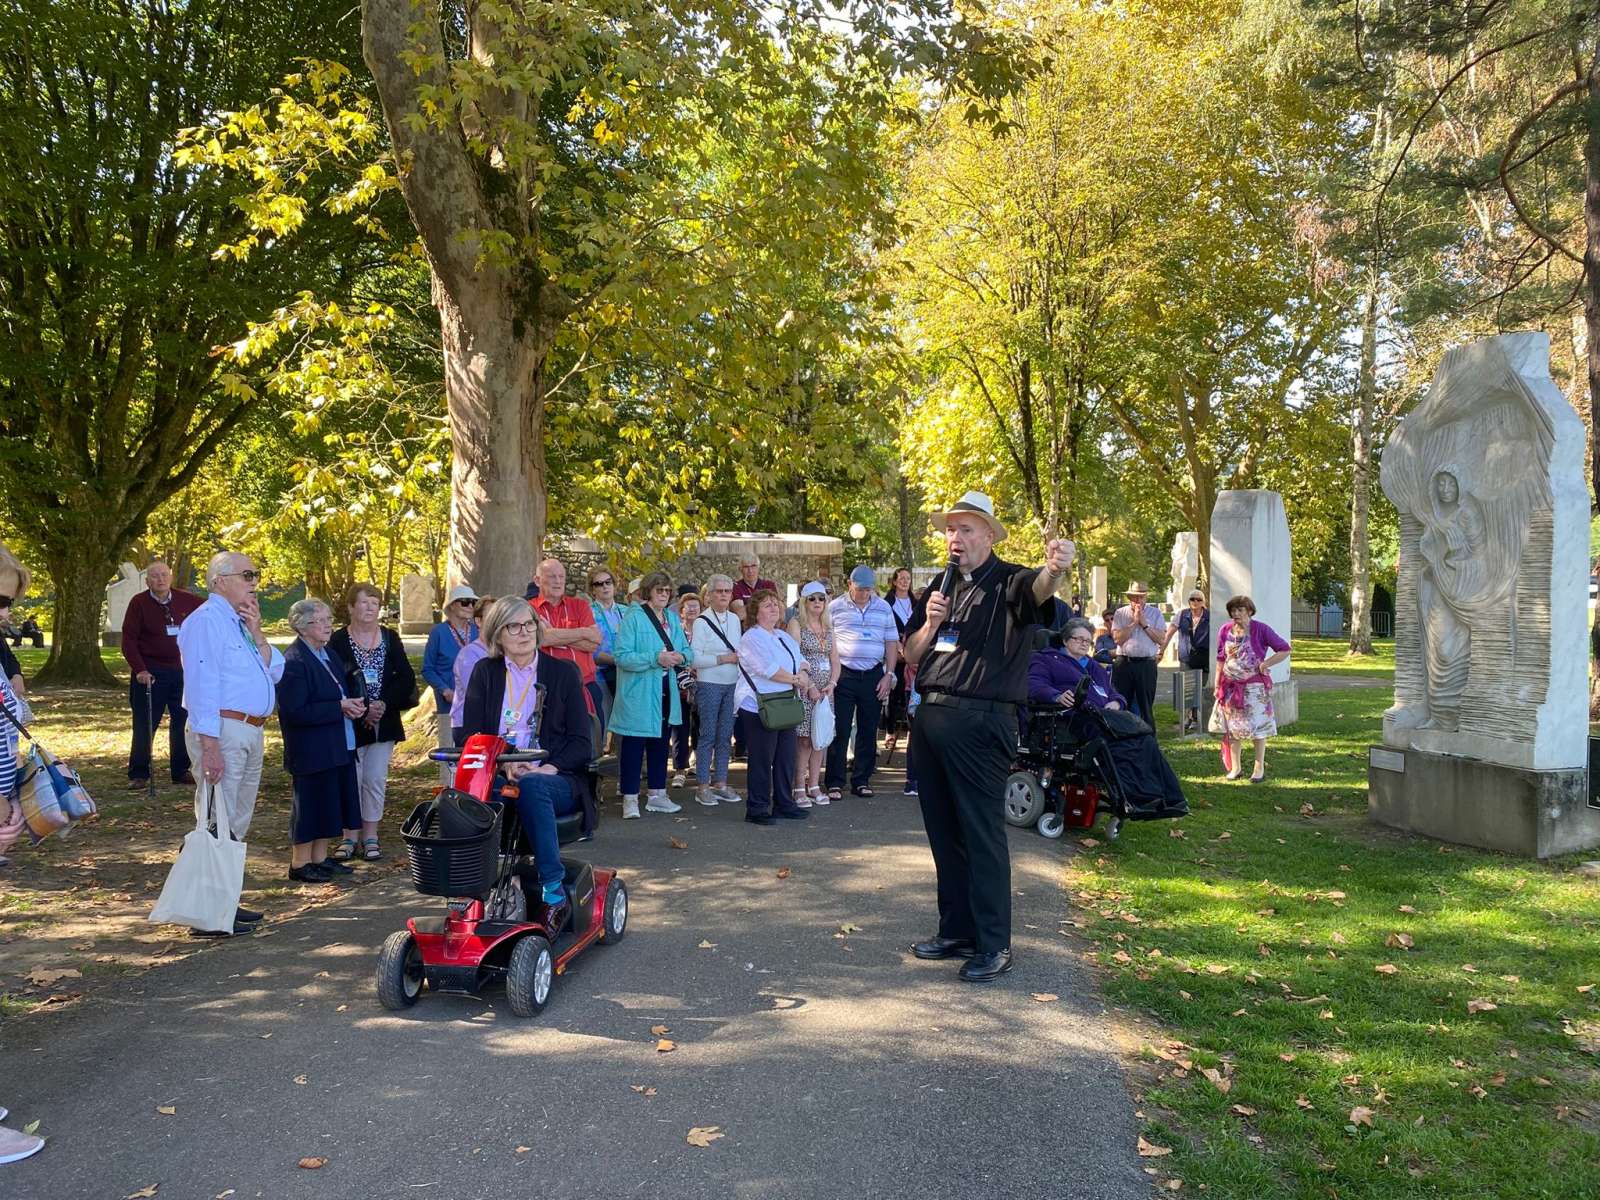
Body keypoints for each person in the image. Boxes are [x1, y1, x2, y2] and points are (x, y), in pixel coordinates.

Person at [902, 491, 1073, 983]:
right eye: (950, 530)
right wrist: (931, 624)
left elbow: (1039, 589)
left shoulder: (1009, 581)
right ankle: (957, 931)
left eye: (966, 529)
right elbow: (911, 655)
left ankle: (994, 943)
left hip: (981, 723)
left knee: (981, 835)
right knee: (944, 834)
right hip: (932, 720)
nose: (954, 538)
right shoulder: (939, 587)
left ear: (990, 535)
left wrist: (1055, 569)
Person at [461, 596, 594, 916]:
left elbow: (581, 743)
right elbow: (470, 737)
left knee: (533, 786)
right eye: (513, 626)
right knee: (466, 798)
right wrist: (506, 762)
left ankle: (553, 889)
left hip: (556, 777)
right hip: (500, 774)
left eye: (529, 624)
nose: (524, 632)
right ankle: (473, 890)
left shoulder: (563, 673)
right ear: (497, 634)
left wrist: (547, 767)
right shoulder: (485, 672)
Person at [177, 551, 283, 936]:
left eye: (256, 575)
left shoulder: (238, 622)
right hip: (223, 729)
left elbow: (274, 669)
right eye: (247, 575)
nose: (254, 583)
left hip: (249, 730)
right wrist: (210, 746)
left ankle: (225, 903)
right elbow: (201, 686)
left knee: (235, 820)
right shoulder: (206, 621)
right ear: (220, 580)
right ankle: (205, 912)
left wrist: (257, 631)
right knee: (214, 818)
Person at [276, 599, 364, 884]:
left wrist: (353, 706)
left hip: (337, 743)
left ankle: (320, 858)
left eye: (329, 619)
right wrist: (339, 707)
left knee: (330, 803)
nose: (328, 625)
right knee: (310, 806)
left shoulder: (328, 654)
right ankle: (300, 863)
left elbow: (340, 691)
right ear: (303, 627)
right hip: (311, 749)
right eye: (321, 620)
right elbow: (294, 711)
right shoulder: (294, 661)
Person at [329, 583, 417, 862]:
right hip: (351, 719)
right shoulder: (338, 640)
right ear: (351, 607)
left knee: (374, 779)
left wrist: (382, 705)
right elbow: (334, 679)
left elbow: (405, 677)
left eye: (375, 603)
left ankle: (370, 836)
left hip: (384, 720)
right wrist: (362, 708)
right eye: (364, 602)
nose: (370, 608)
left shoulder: (390, 637)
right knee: (351, 779)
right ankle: (349, 836)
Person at [611, 571, 691, 819]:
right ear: (648, 591)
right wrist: (656, 658)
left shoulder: (672, 618)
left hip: (666, 688)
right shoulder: (633, 617)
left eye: (667, 590)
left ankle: (657, 794)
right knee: (634, 745)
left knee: (661, 741)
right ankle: (630, 798)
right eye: (659, 590)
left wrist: (681, 656)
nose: (664, 595)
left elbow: (687, 650)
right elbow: (622, 656)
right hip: (639, 691)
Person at [120, 562, 204, 792]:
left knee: (183, 721)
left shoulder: (187, 600)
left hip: (182, 671)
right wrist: (140, 669)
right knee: (145, 723)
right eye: (155, 576)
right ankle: (139, 773)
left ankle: (181, 770)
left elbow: (212, 610)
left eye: (164, 575)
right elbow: (128, 641)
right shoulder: (138, 603)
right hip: (150, 673)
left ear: (171, 577)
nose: (160, 579)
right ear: (147, 581)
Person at [737, 588, 813, 825]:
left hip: (785, 704)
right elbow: (767, 669)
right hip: (760, 706)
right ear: (755, 612)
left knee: (785, 758)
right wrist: (796, 679)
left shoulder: (782, 636)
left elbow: (801, 660)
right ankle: (757, 808)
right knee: (762, 760)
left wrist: (802, 674)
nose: (774, 608)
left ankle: (784, 803)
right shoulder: (751, 638)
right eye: (767, 605)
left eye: (775, 604)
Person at [824, 565, 899, 799]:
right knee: (841, 728)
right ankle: (835, 782)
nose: (865, 594)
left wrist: (889, 674)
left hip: (873, 674)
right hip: (844, 673)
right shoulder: (835, 607)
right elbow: (826, 640)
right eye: (861, 589)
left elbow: (891, 642)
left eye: (869, 590)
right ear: (850, 585)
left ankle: (862, 780)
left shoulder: (883, 607)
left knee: (868, 729)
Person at [1210, 594, 1290, 783]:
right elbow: (1221, 658)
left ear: (1250, 611)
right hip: (1230, 687)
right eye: (1233, 610)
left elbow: (1284, 649)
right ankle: (1235, 768)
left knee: (1258, 727)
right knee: (1232, 728)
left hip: (1254, 688)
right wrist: (1217, 683)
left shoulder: (1261, 629)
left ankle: (1258, 767)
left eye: (1240, 610)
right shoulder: (1225, 630)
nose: (1236, 614)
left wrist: (1266, 663)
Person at [529, 557, 605, 729]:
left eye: (561, 576)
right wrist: (583, 632)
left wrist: (554, 634)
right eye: (552, 576)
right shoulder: (529, 608)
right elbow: (541, 638)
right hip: (548, 689)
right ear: (537, 581)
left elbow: (595, 642)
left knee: (591, 739)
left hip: (586, 685)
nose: (558, 581)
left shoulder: (580, 605)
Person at [688, 574, 743, 807]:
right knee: (708, 735)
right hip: (709, 684)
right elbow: (694, 659)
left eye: (727, 591)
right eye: (719, 591)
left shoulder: (735, 619)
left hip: (732, 684)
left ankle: (720, 782)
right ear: (708, 595)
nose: (723, 595)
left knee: (725, 736)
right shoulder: (701, 622)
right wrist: (723, 658)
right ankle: (702, 785)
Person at [787, 581, 840, 807]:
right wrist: (809, 686)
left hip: (825, 691)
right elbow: (794, 657)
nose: (818, 602)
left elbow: (835, 659)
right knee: (804, 740)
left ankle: (815, 784)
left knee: (821, 738)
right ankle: (799, 786)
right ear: (804, 601)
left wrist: (832, 683)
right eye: (813, 598)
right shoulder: (796, 623)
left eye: (822, 598)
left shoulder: (828, 626)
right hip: (805, 688)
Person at [422, 584, 480, 777]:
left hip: (477, 703)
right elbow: (427, 669)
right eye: (465, 602)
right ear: (452, 605)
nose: (470, 606)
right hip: (450, 704)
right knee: (449, 756)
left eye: (473, 602)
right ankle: (448, 790)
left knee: (475, 754)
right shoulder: (438, 632)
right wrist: (444, 689)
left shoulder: (477, 630)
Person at [1028, 618, 1126, 711]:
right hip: (1071, 715)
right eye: (1079, 639)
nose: (1084, 644)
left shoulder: (1095, 666)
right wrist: (1056, 696)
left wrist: (1117, 702)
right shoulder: (1046, 659)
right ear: (1065, 641)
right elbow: (1034, 684)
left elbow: (1111, 691)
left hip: (1104, 715)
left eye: (1088, 641)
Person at [1111, 582, 1166, 729]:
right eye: (1135, 597)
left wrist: (1144, 624)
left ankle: (1148, 738)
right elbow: (1117, 639)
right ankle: (1122, 737)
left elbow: (1161, 639)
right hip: (1124, 663)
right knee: (1121, 703)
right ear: (1129, 597)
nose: (1138, 600)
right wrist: (1134, 622)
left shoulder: (1155, 613)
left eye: (1141, 597)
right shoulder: (1120, 613)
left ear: (1146, 597)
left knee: (1146, 706)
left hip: (1146, 664)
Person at [449, 595, 496, 746]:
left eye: (500, 616)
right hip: (469, 726)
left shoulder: (505, 651)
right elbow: (476, 694)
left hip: (495, 723)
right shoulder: (468, 655)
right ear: (478, 621)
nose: (496, 621)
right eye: (491, 616)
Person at [669, 591, 702, 787]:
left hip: (701, 683)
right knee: (679, 726)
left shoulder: (705, 632)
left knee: (700, 725)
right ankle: (680, 769)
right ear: (681, 611)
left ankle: (698, 762)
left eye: (695, 606)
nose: (692, 610)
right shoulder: (675, 631)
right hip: (679, 685)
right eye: (688, 607)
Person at [883, 566, 915, 761]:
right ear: (894, 581)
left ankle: (911, 731)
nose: (904, 581)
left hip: (913, 655)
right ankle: (890, 731)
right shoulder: (887, 603)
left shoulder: (916, 603)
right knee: (893, 694)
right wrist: (899, 649)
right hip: (895, 653)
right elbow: (887, 630)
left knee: (910, 693)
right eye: (901, 578)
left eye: (907, 578)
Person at [588, 566, 625, 725]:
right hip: (599, 676)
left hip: (625, 675)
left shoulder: (627, 611)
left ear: (614, 585)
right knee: (601, 726)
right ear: (592, 590)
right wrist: (618, 660)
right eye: (599, 584)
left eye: (608, 582)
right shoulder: (587, 612)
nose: (604, 586)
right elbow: (589, 650)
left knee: (624, 727)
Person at [1174, 590, 1211, 733]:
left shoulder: (1209, 616)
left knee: (1199, 689)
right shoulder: (1182, 615)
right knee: (1187, 688)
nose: (1195, 602)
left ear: (1203, 602)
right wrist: (1161, 649)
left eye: (1199, 600)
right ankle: (1187, 717)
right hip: (1186, 657)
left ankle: (1195, 718)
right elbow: (1171, 630)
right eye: (1192, 599)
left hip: (1203, 658)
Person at [730, 551, 776, 620]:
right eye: (746, 567)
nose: (750, 571)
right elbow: (740, 614)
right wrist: (765, 605)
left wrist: (748, 607)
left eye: (753, 566)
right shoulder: (736, 587)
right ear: (740, 569)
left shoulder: (769, 585)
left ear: (758, 568)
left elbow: (779, 610)